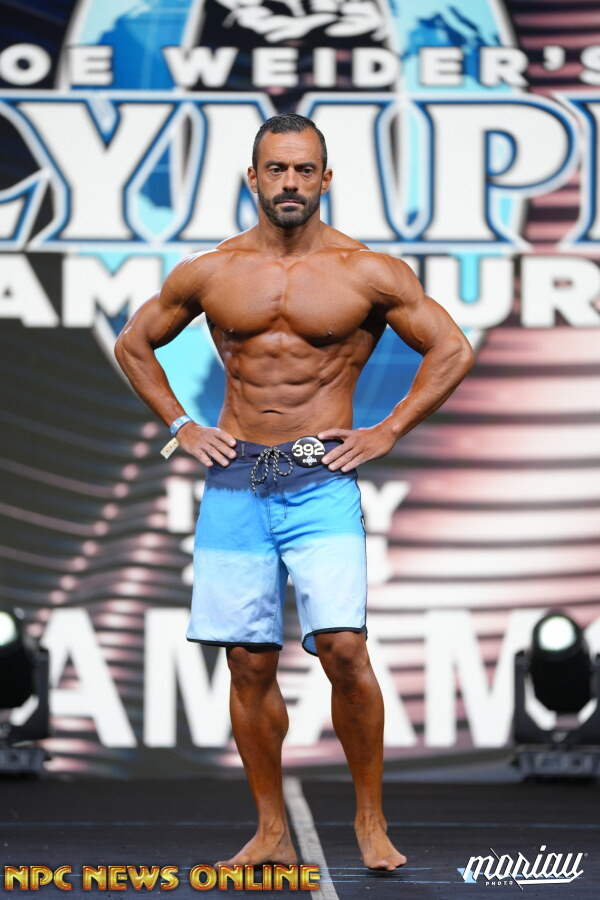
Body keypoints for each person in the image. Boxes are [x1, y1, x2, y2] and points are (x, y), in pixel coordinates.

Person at [115, 112, 475, 871]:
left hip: (320, 480)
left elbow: (451, 348)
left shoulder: (367, 272)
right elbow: (133, 343)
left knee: (343, 647)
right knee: (248, 661)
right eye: (276, 169)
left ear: (325, 178)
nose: (290, 183)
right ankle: (271, 830)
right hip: (236, 480)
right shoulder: (212, 271)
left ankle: (370, 820)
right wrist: (181, 424)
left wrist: (389, 429)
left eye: (304, 170)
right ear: (253, 177)